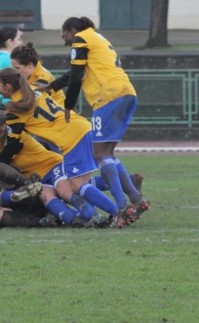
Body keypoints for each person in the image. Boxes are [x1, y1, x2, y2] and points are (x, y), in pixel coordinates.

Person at [38, 16, 149, 220]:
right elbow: (76, 73)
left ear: (72, 31)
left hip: (107, 96)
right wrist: (53, 86)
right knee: (108, 153)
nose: (67, 43)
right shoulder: (97, 38)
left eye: (66, 38)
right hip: (126, 92)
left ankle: (122, 206)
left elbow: (76, 76)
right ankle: (135, 198)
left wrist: (69, 105)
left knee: (99, 153)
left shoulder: (80, 39)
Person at [0, 67, 134, 228]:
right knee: (80, 184)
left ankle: (118, 212)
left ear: (8, 87)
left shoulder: (15, 108)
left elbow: (13, 143)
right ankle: (107, 212)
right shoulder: (32, 89)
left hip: (71, 138)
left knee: (76, 185)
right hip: (81, 126)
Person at [10, 41, 65, 106]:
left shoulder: (43, 78)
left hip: (60, 114)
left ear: (29, 64)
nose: (15, 72)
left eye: (17, 68)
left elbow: (31, 101)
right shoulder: (32, 72)